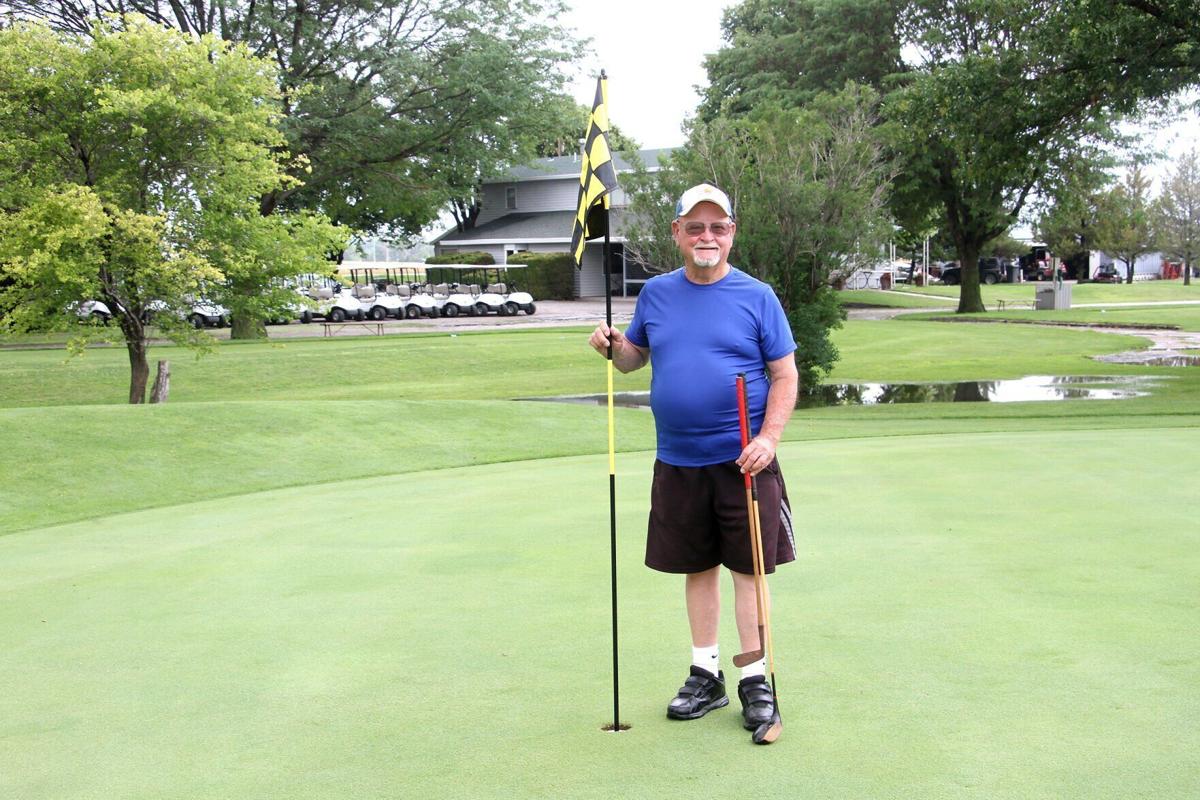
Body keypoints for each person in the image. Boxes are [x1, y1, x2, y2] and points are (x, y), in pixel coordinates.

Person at [588, 183, 799, 733]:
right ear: (677, 233)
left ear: (732, 234)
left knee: (749, 571)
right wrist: (614, 347)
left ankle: (755, 679)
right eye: (696, 227)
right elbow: (635, 359)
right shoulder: (656, 293)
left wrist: (769, 438)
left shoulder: (758, 296)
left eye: (719, 227)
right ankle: (705, 674)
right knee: (696, 566)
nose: (708, 236)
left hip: (743, 462)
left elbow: (785, 375)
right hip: (677, 459)